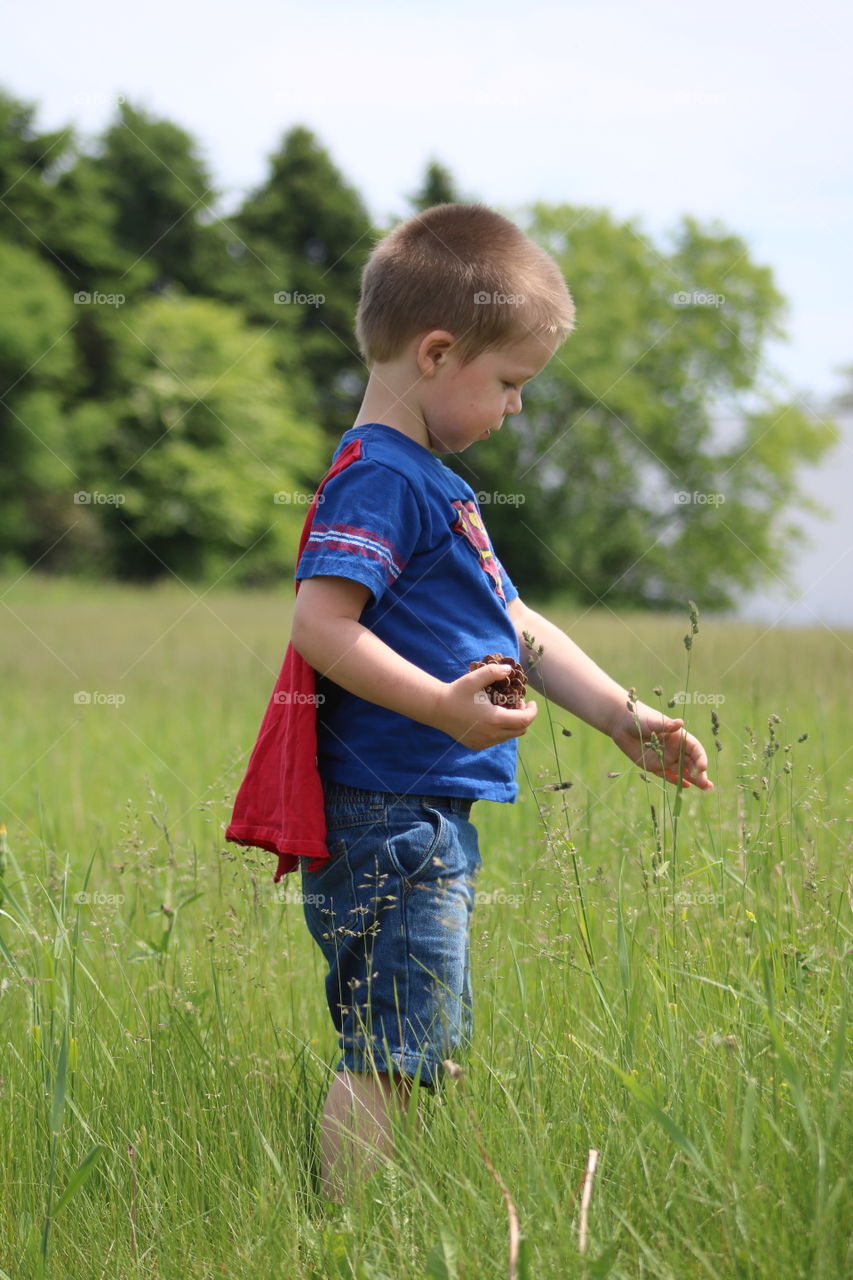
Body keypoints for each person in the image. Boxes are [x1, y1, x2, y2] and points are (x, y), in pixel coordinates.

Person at [242, 203, 713, 1201]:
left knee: (418, 1040)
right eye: (508, 383)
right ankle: (341, 1231)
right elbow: (320, 626)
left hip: (419, 815)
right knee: (390, 1049)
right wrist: (443, 711)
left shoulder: (432, 486)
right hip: (389, 814)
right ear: (438, 351)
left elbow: (516, 624)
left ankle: (402, 1210)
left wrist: (623, 715)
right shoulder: (378, 481)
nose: (515, 408)